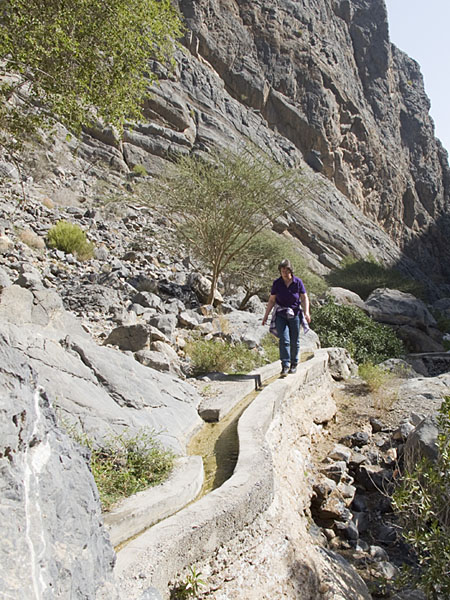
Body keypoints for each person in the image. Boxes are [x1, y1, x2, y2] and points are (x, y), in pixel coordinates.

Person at [262, 259, 311, 376]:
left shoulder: (297, 282)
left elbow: (304, 298)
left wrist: (307, 312)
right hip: (281, 314)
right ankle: (285, 365)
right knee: (284, 339)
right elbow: (272, 300)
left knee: (294, 340)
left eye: (286, 269)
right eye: (282, 270)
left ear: (290, 270)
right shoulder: (277, 283)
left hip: (295, 314)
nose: (284, 272)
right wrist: (265, 316)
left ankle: (294, 363)